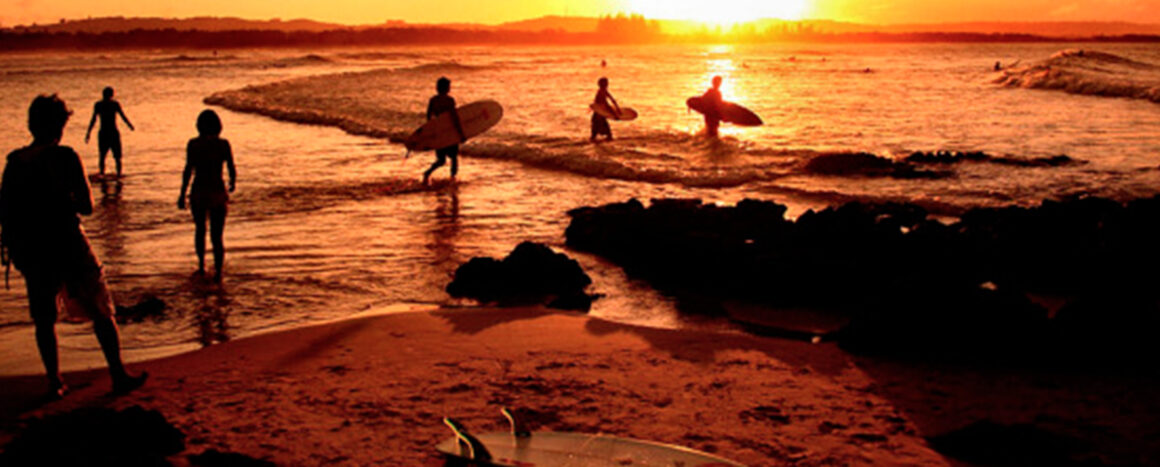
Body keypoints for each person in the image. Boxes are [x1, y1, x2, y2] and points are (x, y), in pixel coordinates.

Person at [0, 95, 146, 398]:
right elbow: (87, 206)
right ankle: (117, 374)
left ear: (31, 123)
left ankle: (54, 382)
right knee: (101, 308)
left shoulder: (14, 162)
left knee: (43, 317)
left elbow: (6, 210)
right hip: (67, 241)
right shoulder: (65, 156)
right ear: (59, 125)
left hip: (32, 247)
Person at [177, 110, 236, 282]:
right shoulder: (224, 144)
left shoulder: (193, 144)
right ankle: (218, 272)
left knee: (200, 230)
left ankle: (202, 265)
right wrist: (232, 182)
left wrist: (182, 194)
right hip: (217, 190)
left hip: (199, 190)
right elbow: (231, 167)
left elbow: (188, 170)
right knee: (217, 235)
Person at [423, 77, 465, 185]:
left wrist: (430, 131)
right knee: (454, 158)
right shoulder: (450, 100)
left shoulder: (433, 100)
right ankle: (452, 178)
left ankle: (427, 173)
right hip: (450, 132)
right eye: (448, 86)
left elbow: (428, 116)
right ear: (446, 88)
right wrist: (461, 134)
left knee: (441, 160)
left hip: (439, 132)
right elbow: (454, 117)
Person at [84, 86, 134, 177]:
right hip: (111, 133)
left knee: (104, 156)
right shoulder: (112, 104)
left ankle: (104, 173)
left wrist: (88, 133)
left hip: (105, 133)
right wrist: (130, 125)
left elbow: (93, 120)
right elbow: (123, 116)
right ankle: (117, 174)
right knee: (115, 157)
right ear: (111, 94)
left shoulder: (101, 104)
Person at [590, 77, 622, 142]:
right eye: (606, 83)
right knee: (608, 134)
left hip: (598, 114)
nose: (607, 84)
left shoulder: (603, 91)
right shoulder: (601, 92)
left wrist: (617, 109)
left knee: (595, 134)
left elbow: (612, 100)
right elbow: (606, 104)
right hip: (599, 116)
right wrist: (615, 114)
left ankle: (595, 144)